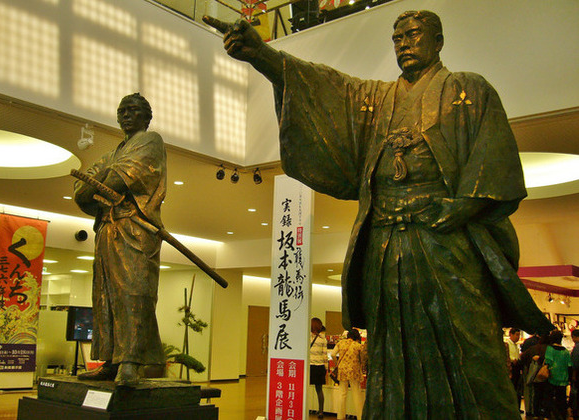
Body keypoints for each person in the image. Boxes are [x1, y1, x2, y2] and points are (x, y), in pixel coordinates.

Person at [204, 9, 553, 418]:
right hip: (386, 246)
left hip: (446, 241)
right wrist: (263, 56)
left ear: (438, 41)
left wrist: (462, 208)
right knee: (393, 349)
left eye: (413, 34)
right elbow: (326, 86)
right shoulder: (376, 100)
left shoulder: (467, 90)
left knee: (469, 344)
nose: (403, 43)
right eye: (397, 37)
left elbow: (494, 162)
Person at [74, 93, 167, 387]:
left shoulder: (151, 141)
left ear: (146, 116)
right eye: (122, 110)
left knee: (134, 291)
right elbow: (81, 191)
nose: (127, 115)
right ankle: (112, 360)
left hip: (135, 227)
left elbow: (115, 180)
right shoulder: (109, 155)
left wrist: (100, 181)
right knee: (105, 294)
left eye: (134, 110)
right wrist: (102, 179)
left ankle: (131, 361)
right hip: (107, 229)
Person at [331, 329, 367, 420]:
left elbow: (332, 354)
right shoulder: (358, 346)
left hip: (342, 371)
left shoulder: (341, 343)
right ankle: (360, 417)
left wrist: (337, 363)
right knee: (356, 394)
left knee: (342, 394)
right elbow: (363, 359)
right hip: (354, 371)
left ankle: (340, 416)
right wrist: (362, 365)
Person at [543, 330, 572, 420]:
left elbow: (548, 362)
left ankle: (550, 415)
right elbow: (569, 365)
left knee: (549, 397)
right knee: (562, 399)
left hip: (552, 377)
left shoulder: (550, 349)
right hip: (563, 379)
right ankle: (562, 415)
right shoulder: (566, 352)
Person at [309, 317, 328, 418]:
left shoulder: (307, 337)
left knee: (304, 388)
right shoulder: (323, 339)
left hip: (309, 366)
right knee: (319, 390)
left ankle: (303, 407)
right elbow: (325, 355)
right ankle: (321, 411)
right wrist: (326, 368)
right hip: (319, 366)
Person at [505, 328, 522, 409]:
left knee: (517, 388)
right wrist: (512, 360)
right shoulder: (507, 344)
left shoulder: (515, 345)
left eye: (519, 335)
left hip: (516, 368)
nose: (518, 337)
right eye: (517, 334)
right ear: (511, 334)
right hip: (511, 368)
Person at [570, 329, 579, 418]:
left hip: (577, 374)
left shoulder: (576, 348)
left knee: (575, 393)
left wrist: (573, 375)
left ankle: (575, 412)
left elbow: (575, 364)